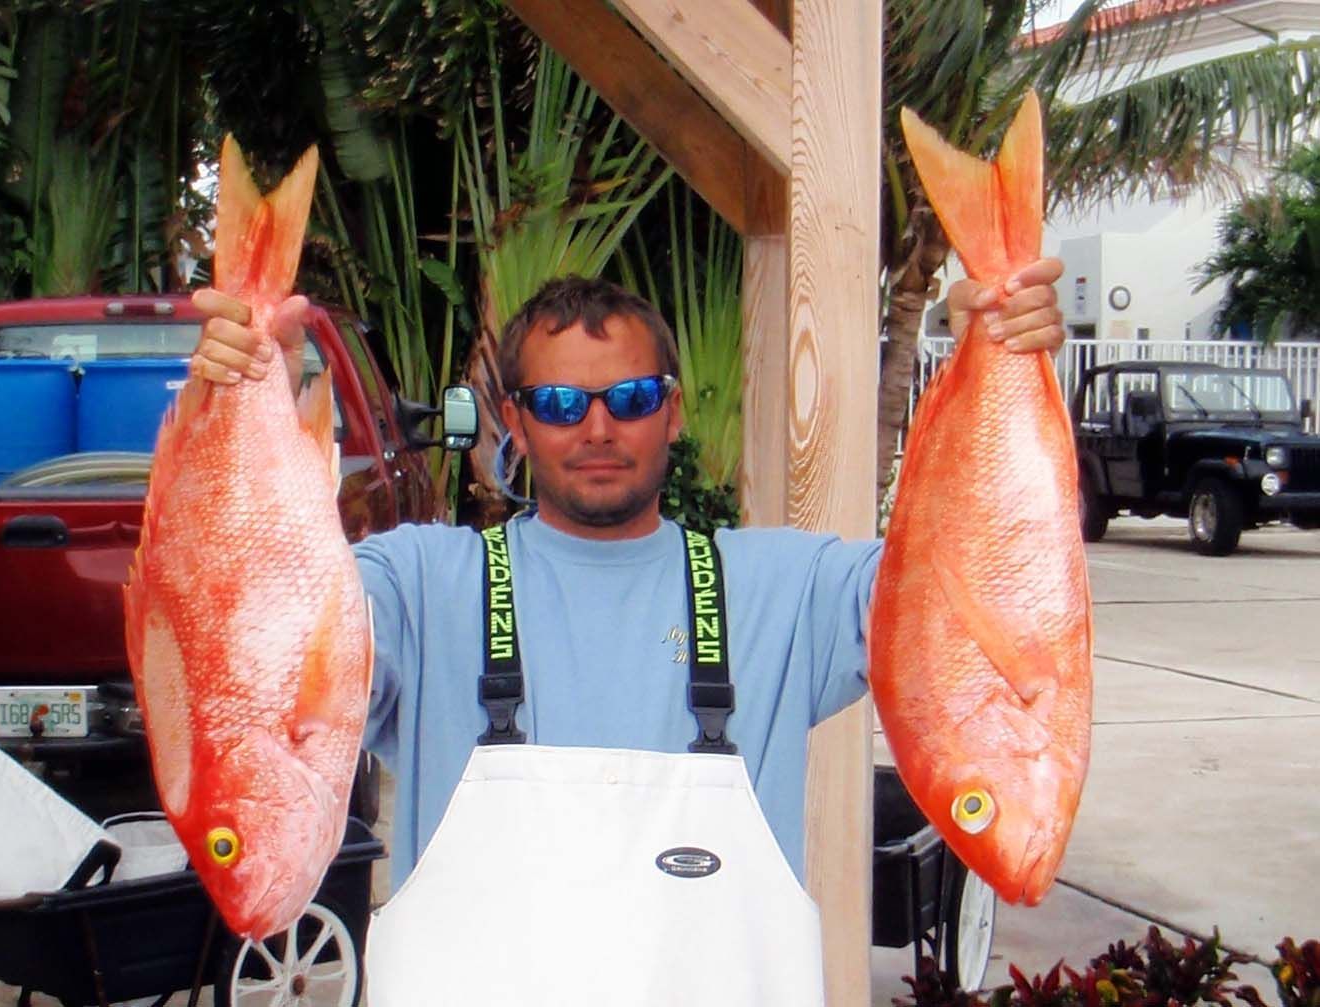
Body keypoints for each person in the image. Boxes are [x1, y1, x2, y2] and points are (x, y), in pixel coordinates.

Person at [190, 261, 1065, 1005]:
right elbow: (252, 635)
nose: (598, 428)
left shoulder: (789, 588)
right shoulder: (419, 587)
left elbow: (974, 597)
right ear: (517, 422)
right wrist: (234, 401)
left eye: (632, 397)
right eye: (561, 402)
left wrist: (991, 353)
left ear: (674, 411)